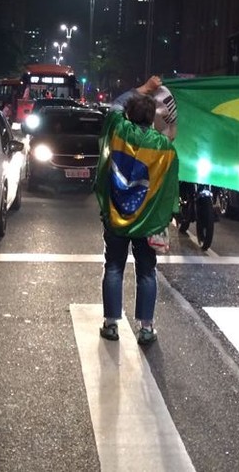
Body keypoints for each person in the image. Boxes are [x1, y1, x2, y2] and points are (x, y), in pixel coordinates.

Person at [94, 93, 179, 345]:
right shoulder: (165, 147)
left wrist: (144, 87)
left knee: (113, 267)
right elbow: (169, 187)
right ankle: (146, 328)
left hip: (116, 217)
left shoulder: (119, 131)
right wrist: (164, 217)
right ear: (152, 118)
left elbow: (115, 106)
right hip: (147, 221)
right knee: (146, 272)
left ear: (129, 115)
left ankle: (111, 324)